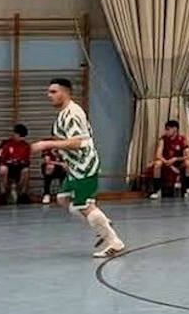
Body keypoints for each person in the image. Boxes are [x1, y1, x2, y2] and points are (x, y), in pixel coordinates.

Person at [29, 78, 125, 258]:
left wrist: (46, 144)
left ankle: (114, 242)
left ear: (65, 92)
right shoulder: (64, 113)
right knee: (63, 198)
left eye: (53, 92)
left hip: (84, 166)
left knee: (84, 205)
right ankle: (102, 224)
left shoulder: (72, 114)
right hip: (75, 166)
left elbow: (77, 142)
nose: (48, 95)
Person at [148, 119, 189, 199]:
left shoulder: (182, 139)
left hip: (177, 163)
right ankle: (157, 191)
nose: (166, 131)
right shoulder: (163, 139)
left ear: (175, 129)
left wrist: (175, 159)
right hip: (166, 163)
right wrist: (168, 164)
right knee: (157, 164)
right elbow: (158, 155)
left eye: (168, 129)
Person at [0, 124, 33, 205]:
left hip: (19, 168)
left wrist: (19, 162)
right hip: (8, 167)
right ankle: (3, 194)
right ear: (15, 134)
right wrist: (9, 162)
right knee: (2, 169)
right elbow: (1, 159)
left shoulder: (25, 146)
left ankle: (22, 194)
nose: (21, 138)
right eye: (19, 135)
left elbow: (26, 161)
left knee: (26, 170)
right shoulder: (6, 144)